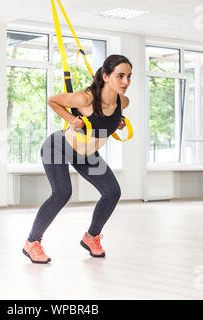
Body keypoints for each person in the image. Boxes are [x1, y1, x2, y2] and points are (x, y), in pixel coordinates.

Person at [22, 54, 132, 263]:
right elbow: (52, 100)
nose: (125, 82)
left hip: (86, 153)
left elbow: (107, 120)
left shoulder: (122, 102)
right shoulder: (86, 98)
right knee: (62, 192)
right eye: (120, 76)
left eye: (128, 76)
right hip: (58, 147)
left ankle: (91, 237)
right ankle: (32, 243)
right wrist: (72, 119)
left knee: (112, 192)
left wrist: (119, 122)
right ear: (106, 76)